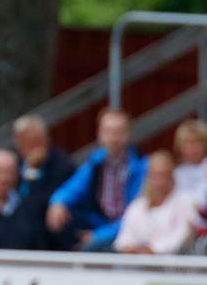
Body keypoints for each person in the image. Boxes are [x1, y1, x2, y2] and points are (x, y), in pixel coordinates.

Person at [46, 108, 147, 252]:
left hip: (129, 230)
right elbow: (73, 187)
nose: (114, 137)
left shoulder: (141, 167)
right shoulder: (95, 162)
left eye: (119, 131)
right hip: (100, 225)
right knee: (58, 219)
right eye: (108, 131)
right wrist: (57, 203)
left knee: (91, 247)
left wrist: (98, 235)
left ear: (128, 134)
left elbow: (135, 216)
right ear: (99, 134)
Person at [11, 113, 78, 251]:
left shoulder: (61, 165)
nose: (33, 147)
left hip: (51, 236)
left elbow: (38, 205)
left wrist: (32, 170)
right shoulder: (13, 165)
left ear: (47, 140)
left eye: (37, 141)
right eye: (26, 142)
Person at [114, 152, 199, 255]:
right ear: (148, 177)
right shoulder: (137, 206)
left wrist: (153, 249)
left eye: (163, 175)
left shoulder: (185, 201)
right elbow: (123, 237)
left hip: (173, 265)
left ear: (172, 176)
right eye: (155, 175)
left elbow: (182, 236)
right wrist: (129, 247)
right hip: (136, 265)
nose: (159, 181)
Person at [172, 119, 207, 208]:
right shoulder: (177, 173)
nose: (190, 148)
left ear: (206, 144)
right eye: (185, 143)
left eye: (194, 143)